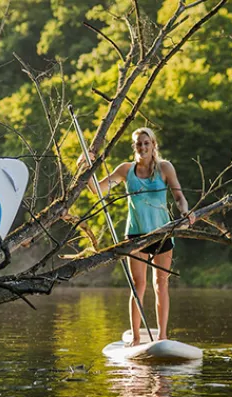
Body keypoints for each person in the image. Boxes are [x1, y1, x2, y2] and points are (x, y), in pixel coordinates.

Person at [78, 127, 195, 346]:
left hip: (162, 232)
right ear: (135, 147)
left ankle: (162, 336)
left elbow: (179, 196)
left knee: (161, 284)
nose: (142, 147)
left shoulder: (165, 168)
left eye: (146, 143)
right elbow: (99, 190)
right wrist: (84, 167)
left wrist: (185, 211)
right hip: (136, 235)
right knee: (137, 284)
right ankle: (136, 337)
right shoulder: (125, 170)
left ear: (153, 145)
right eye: (139, 144)